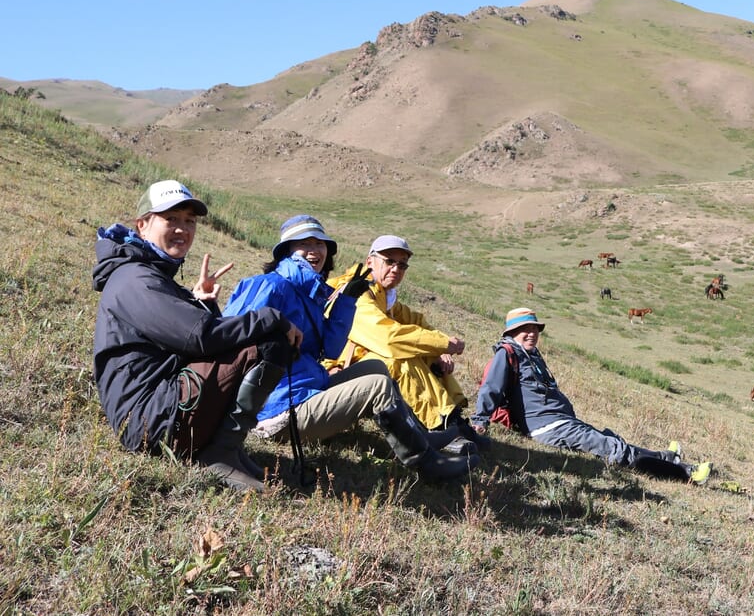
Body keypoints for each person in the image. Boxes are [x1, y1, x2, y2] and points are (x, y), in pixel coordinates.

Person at [223, 216, 472, 482]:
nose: (314, 250)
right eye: (304, 243)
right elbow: (232, 338)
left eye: (320, 244)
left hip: (307, 390)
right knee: (376, 385)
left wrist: (347, 301)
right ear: (286, 250)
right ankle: (426, 463)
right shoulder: (269, 285)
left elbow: (330, 348)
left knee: (375, 367)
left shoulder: (309, 294)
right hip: (278, 411)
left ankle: (420, 438)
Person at [92, 179, 303, 492]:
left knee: (257, 341)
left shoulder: (150, 273)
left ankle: (228, 448)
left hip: (158, 407)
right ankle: (218, 454)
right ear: (142, 226)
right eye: (171, 219)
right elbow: (200, 339)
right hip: (148, 422)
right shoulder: (135, 279)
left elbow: (197, 341)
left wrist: (204, 304)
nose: (182, 229)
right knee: (269, 343)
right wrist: (270, 316)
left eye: (189, 221)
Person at [472, 307, 712, 483]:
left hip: (561, 421)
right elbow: (491, 387)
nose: (532, 333)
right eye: (525, 329)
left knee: (610, 439)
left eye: (535, 328)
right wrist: (480, 420)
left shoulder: (531, 355)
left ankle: (667, 457)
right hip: (547, 426)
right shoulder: (507, 353)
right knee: (613, 449)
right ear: (513, 332)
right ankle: (687, 474)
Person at [329, 235, 487, 456]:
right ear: (370, 261)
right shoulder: (356, 292)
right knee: (399, 358)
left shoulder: (384, 296)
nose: (395, 269)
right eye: (389, 261)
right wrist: (441, 343)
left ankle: (454, 422)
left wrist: (439, 348)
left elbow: (416, 322)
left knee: (425, 351)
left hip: (356, 365)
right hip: (332, 371)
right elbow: (388, 338)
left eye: (401, 265)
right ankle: (437, 426)